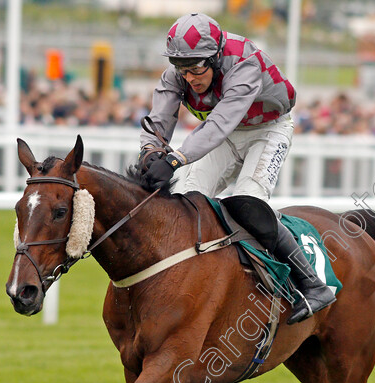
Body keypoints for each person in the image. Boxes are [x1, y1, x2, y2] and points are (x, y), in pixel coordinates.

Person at [137, 12, 334, 324]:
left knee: (249, 202)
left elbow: (218, 123)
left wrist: (174, 159)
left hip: (268, 130)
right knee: (185, 201)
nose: (189, 77)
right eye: (182, 69)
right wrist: (150, 151)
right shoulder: (180, 73)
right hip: (228, 134)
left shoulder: (244, 62)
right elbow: (159, 119)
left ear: (215, 56)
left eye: (197, 68)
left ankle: (312, 284)